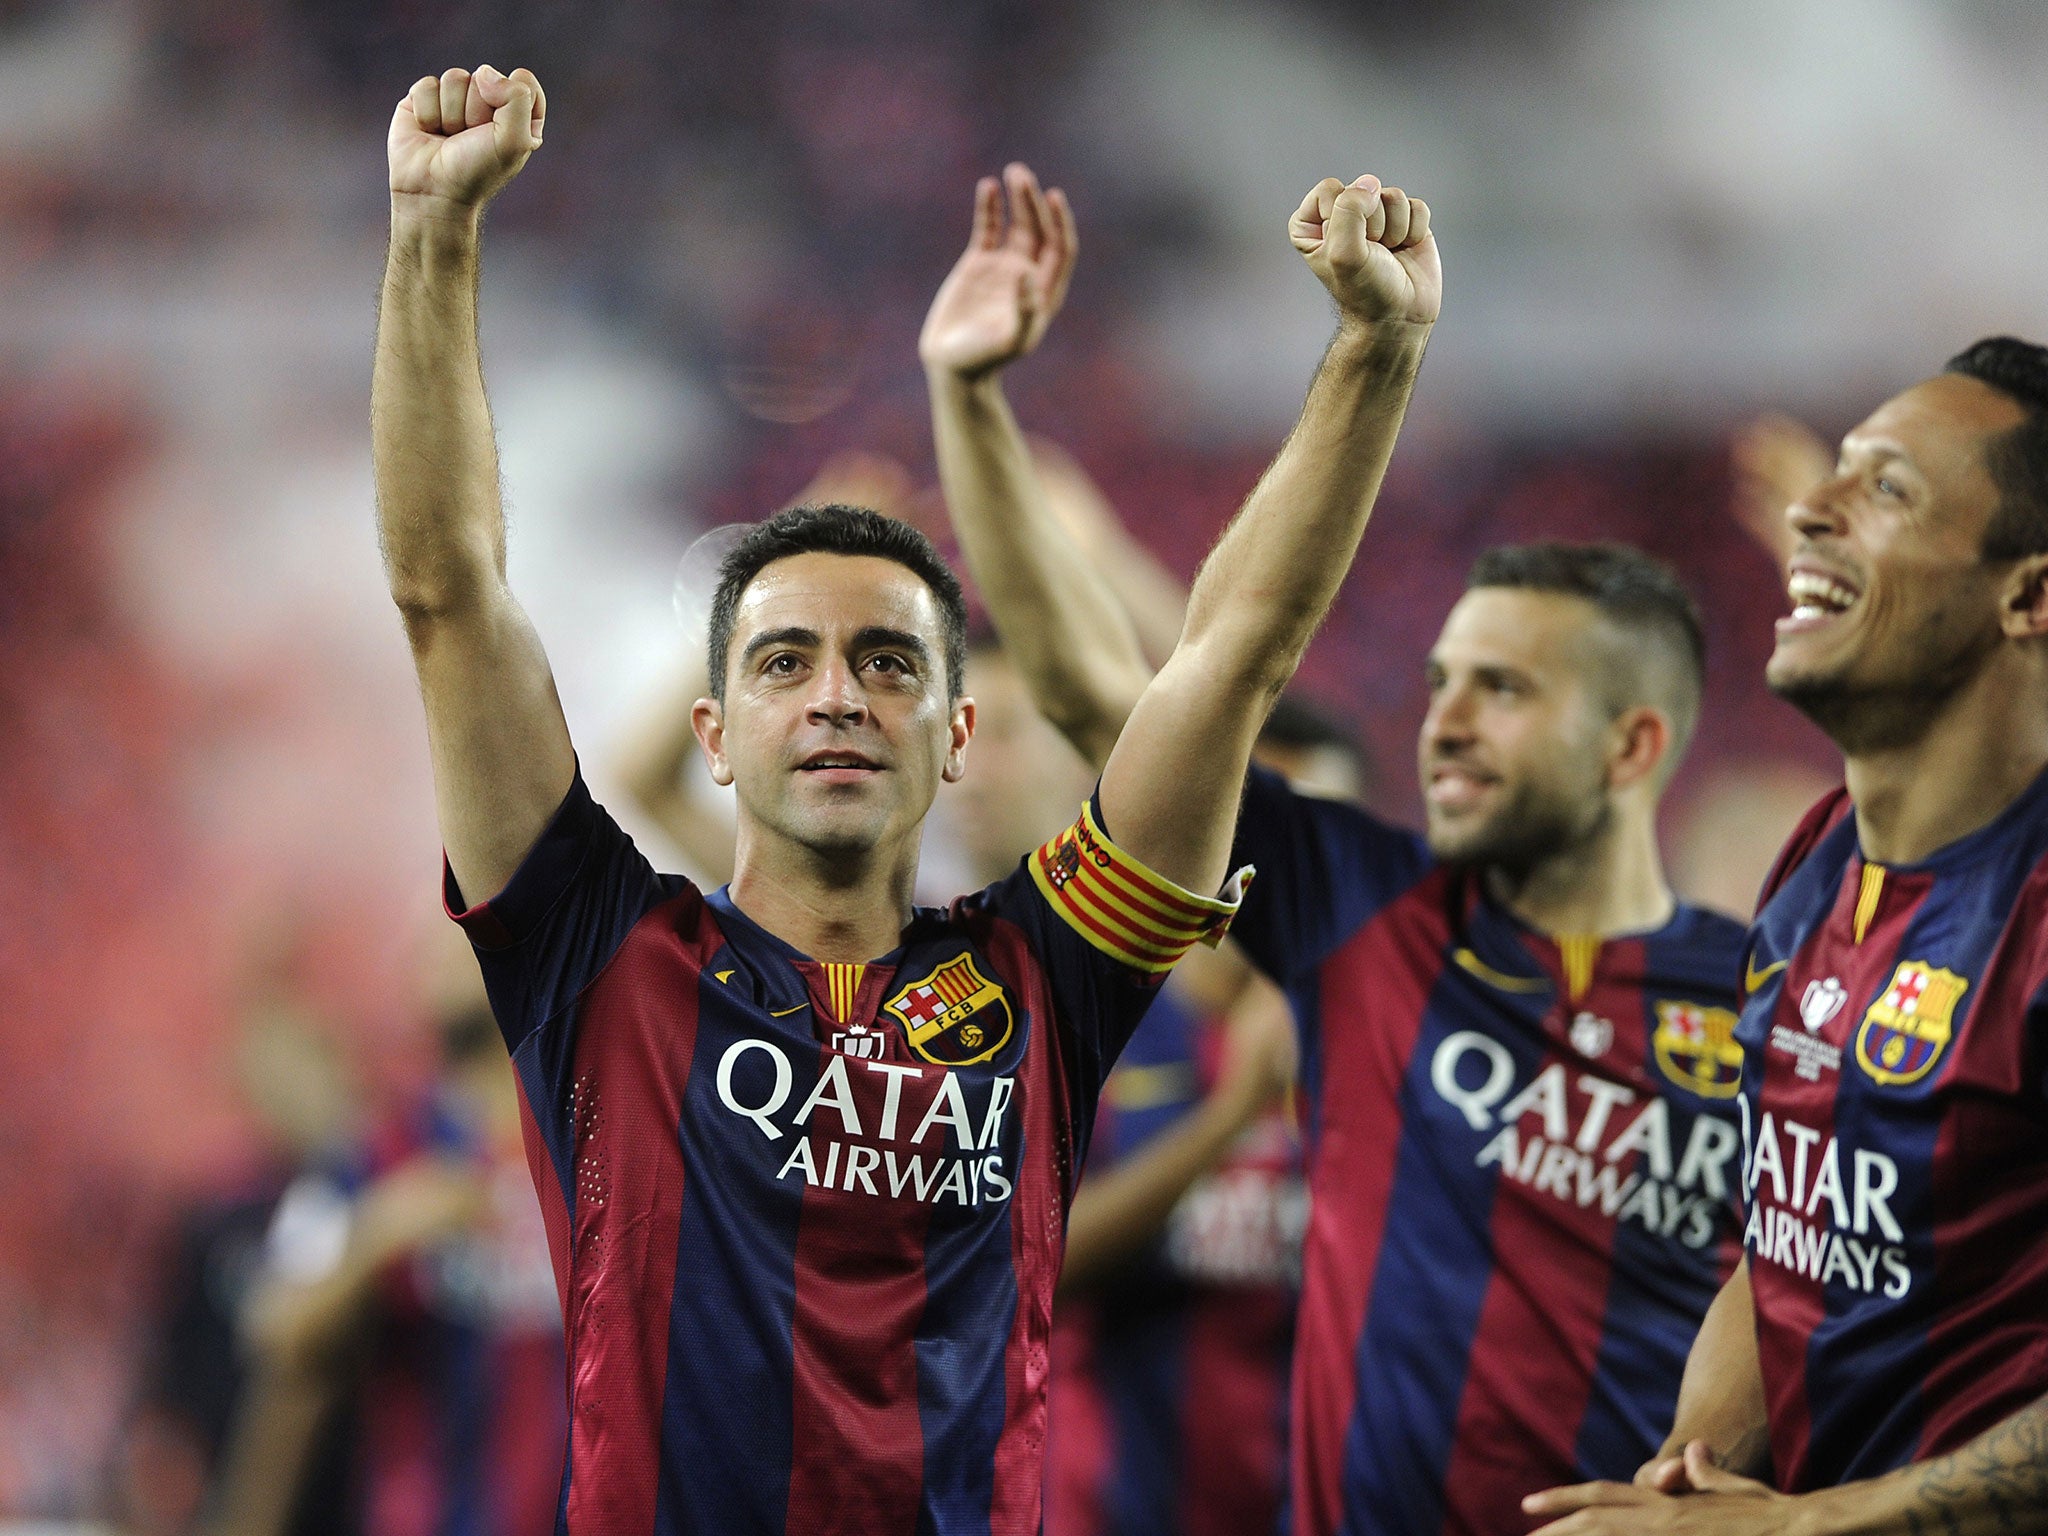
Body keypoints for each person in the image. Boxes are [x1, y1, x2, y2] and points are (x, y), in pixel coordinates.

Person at [373, 61, 1437, 1536]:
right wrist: (432, 236)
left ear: (955, 737)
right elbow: (448, 595)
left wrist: (1375, 355)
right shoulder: (598, 958)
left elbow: (1228, 663)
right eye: (786, 662)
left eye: (886, 663)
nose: (835, 697)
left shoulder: (1043, 976)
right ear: (715, 734)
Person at [922, 172, 1750, 1536]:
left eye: (1506, 691)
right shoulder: (1363, 912)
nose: (1446, 726)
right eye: (1440, 682)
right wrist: (969, 401)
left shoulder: (1767, 995)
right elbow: (1103, 689)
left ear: (1632, 744)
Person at [1524, 339, 2048, 1534]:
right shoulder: (1817, 861)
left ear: (2026, 594)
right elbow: (1788, 1246)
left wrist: (1799, 1528)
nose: (1812, 509)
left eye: (1885, 490)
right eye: (1836, 476)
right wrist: (1678, 1485)